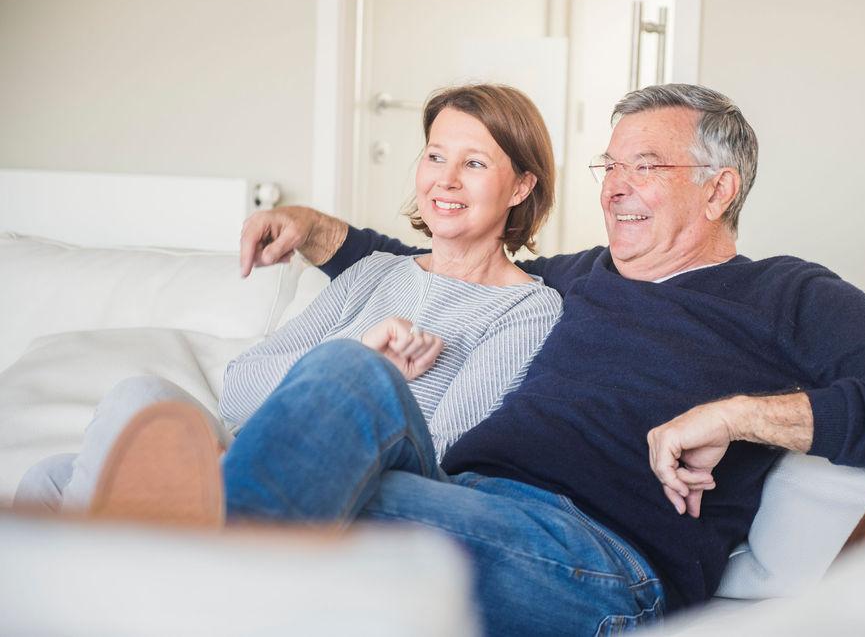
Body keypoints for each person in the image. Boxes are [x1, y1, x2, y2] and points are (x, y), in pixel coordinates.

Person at [94, 84, 865, 635]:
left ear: (719, 187)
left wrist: (738, 415)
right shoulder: (577, 275)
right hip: (464, 494)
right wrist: (312, 228)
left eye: (644, 165)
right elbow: (434, 258)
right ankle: (190, 555)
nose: (613, 186)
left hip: (601, 562)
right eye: (608, 165)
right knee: (354, 371)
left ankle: (163, 559)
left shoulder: (786, 292)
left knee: (337, 499)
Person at [14, 84, 563, 517]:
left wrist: (364, 383)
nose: (446, 180)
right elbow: (239, 393)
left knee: (70, 486)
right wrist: (356, 354)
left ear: (520, 187)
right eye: (436, 156)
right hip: (239, 454)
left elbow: (444, 456)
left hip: (312, 487)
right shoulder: (375, 272)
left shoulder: (525, 309)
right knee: (102, 428)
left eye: (474, 164)